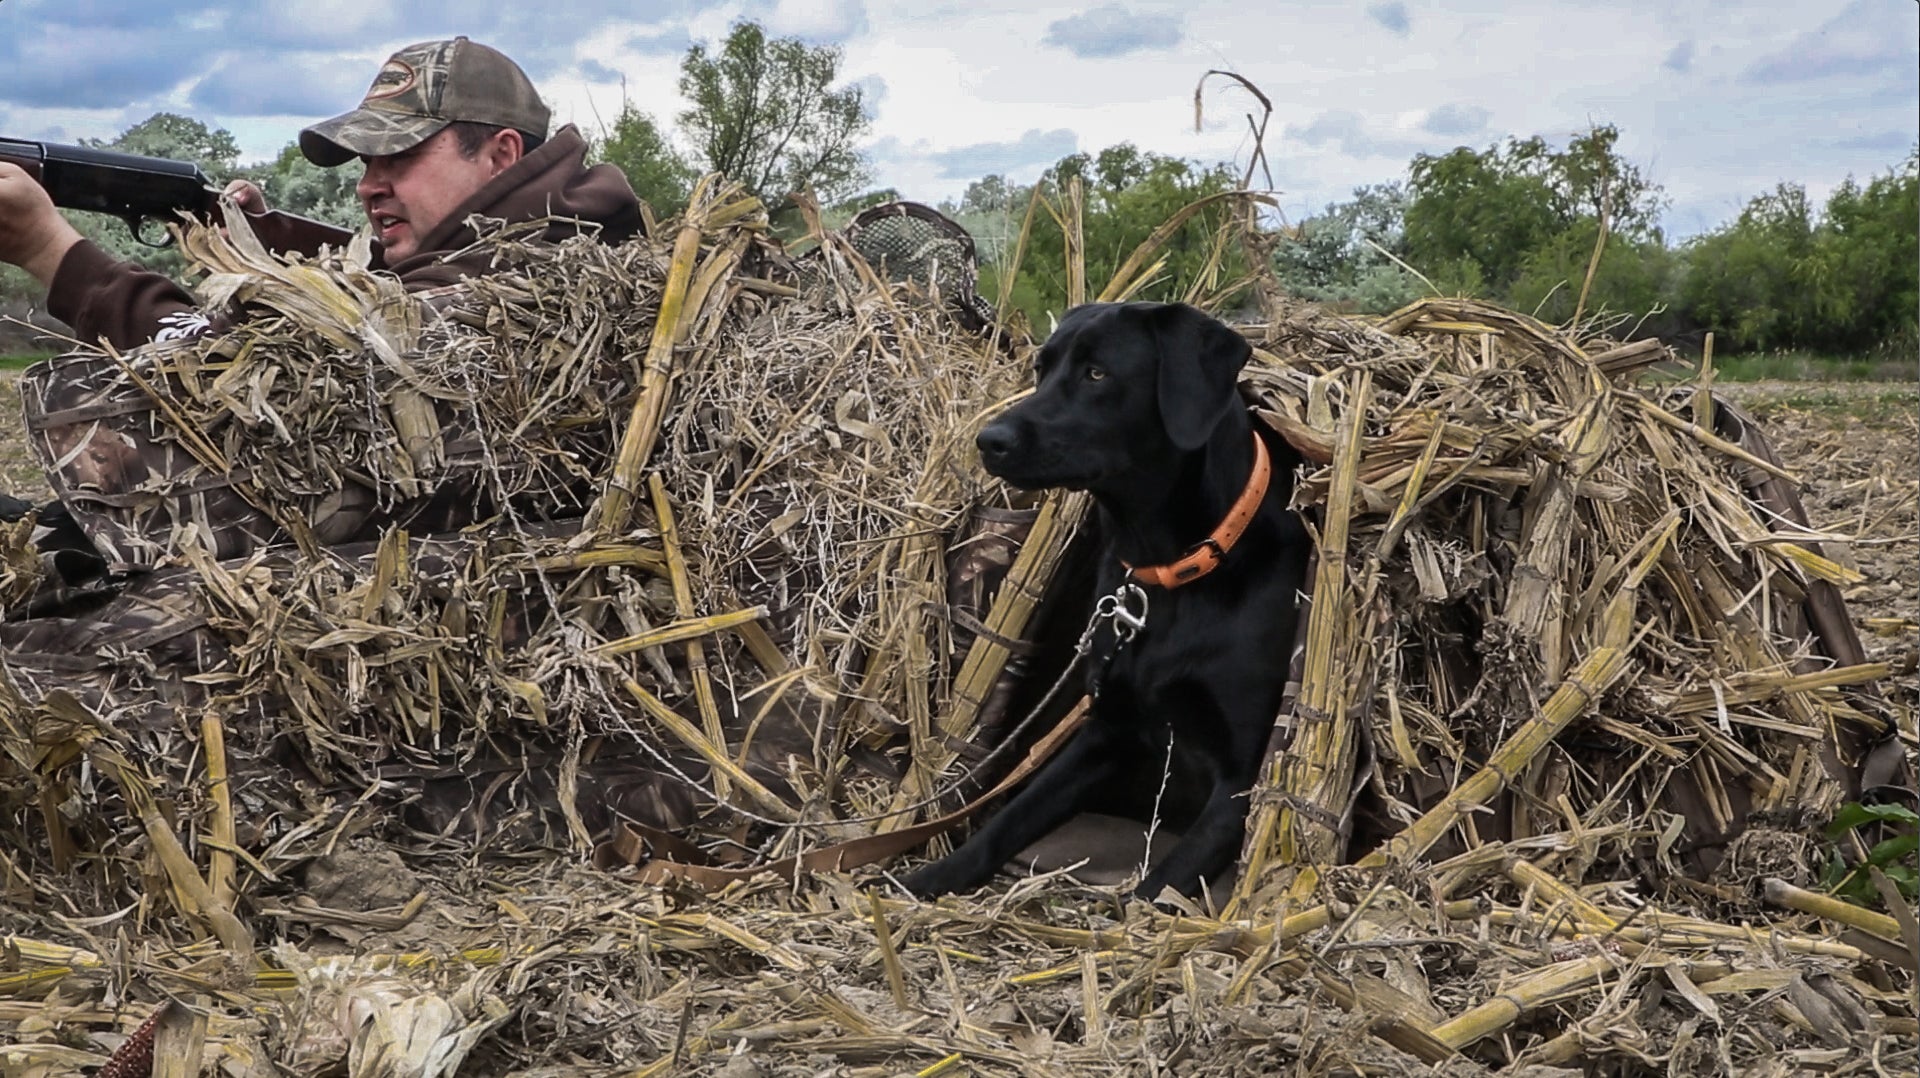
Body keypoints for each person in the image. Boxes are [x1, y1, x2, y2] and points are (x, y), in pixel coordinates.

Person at [0, 36, 644, 352]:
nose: (369, 184)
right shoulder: (574, 234)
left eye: (400, 154)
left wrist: (51, 250)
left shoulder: (494, 290)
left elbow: (218, 372)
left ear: (501, 154)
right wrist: (267, 243)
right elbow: (392, 274)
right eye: (366, 161)